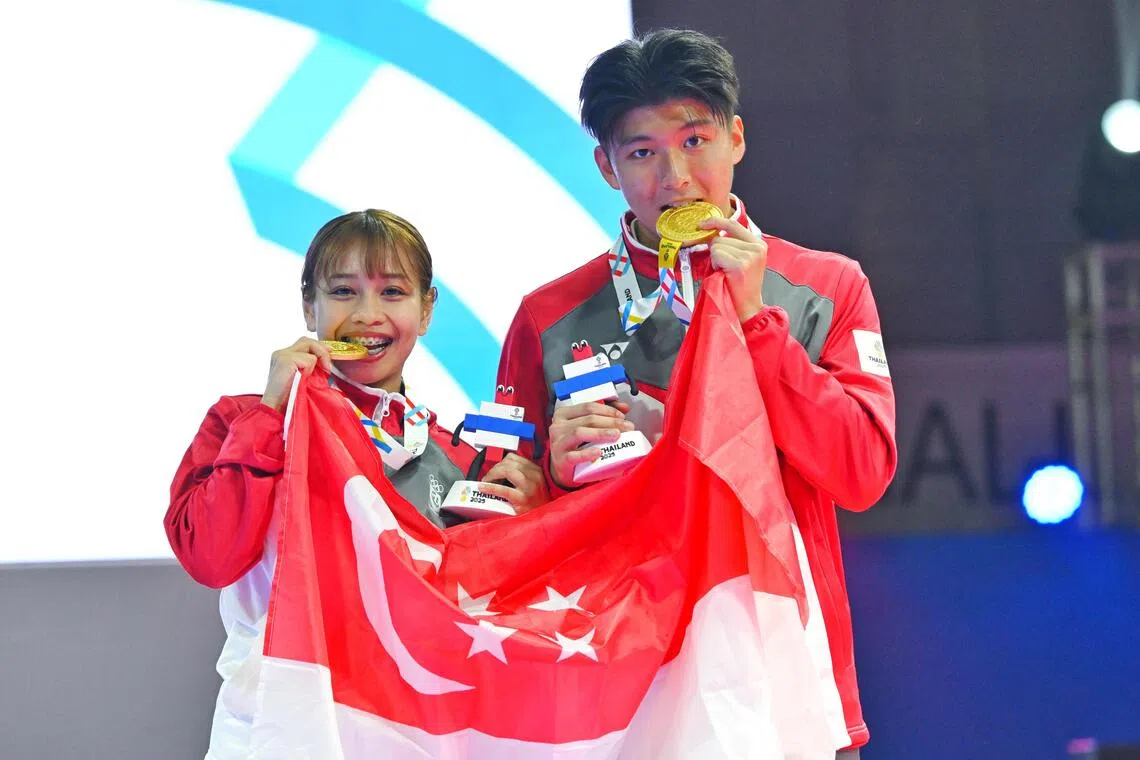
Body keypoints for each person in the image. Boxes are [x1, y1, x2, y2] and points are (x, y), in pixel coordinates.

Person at [495, 29, 896, 758]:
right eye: (642, 152)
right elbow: (500, 522)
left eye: (694, 140)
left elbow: (861, 472)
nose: (675, 176)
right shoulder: (548, 318)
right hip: (615, 702)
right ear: (607, 166)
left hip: (784, 693)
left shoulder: (825, 288)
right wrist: (550, 476)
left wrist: (755, 320)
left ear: (736, 137)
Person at [166, 209, 549, 759]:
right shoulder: (247, 421)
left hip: (413, 736)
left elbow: (482, 623)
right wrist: (272, 410)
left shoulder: (458, 456)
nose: (368, 315)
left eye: (393, 292)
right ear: (309, 306)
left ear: (426, 309)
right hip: (282, 731)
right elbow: (211, 556)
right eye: (343, 291)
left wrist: (531, 524)